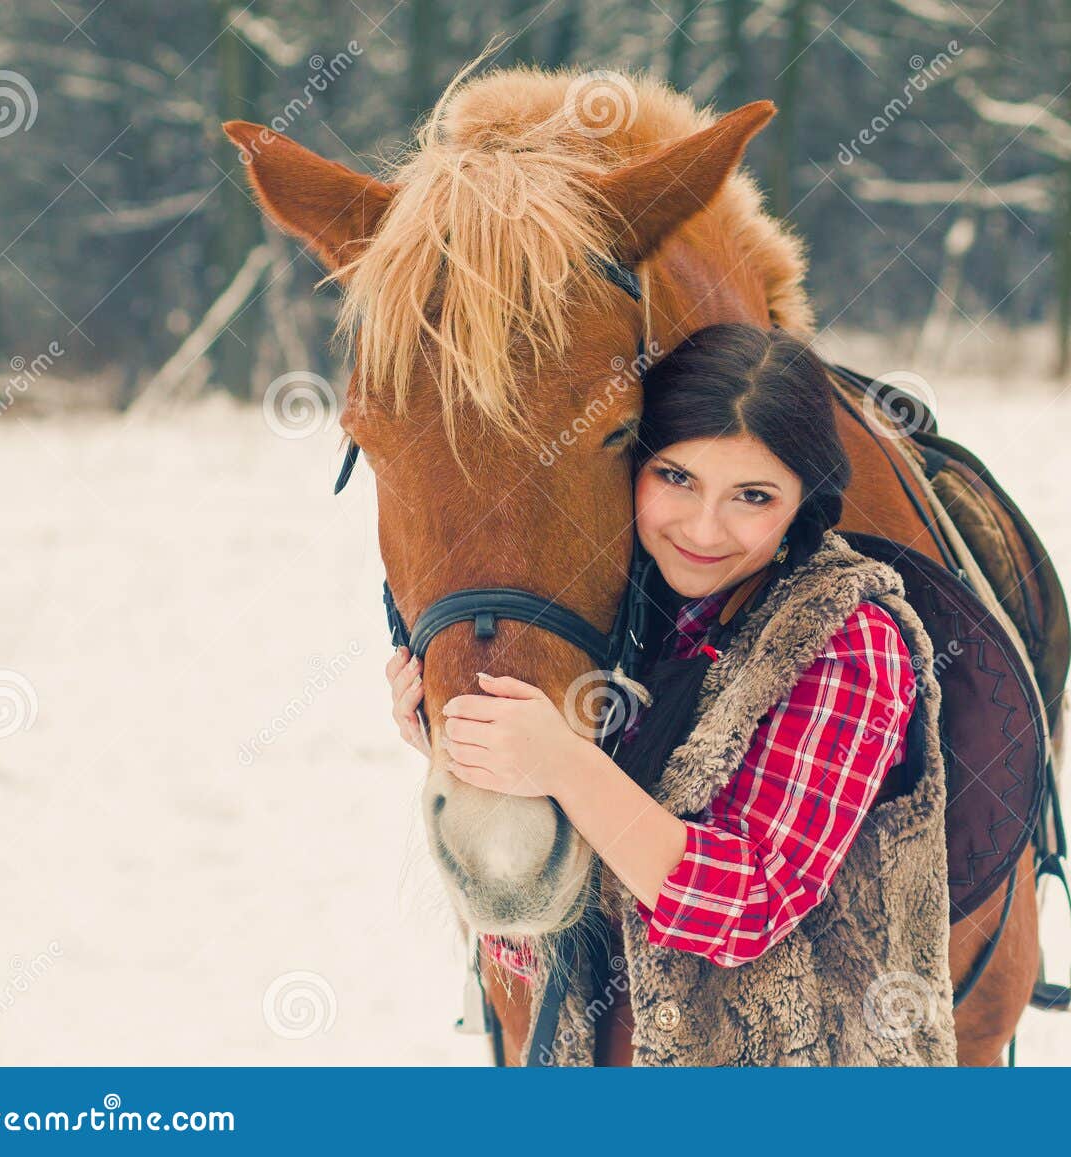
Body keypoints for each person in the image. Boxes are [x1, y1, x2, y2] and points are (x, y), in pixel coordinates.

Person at [385, 322, 958, 1065]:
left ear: (800, 505)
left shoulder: (846, 641)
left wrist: (564, 766)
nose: (702, 527)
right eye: (676, 477)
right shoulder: (619, 622)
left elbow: (750, 904)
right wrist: (478, 757)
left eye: (752, 495)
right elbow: (549, 936)